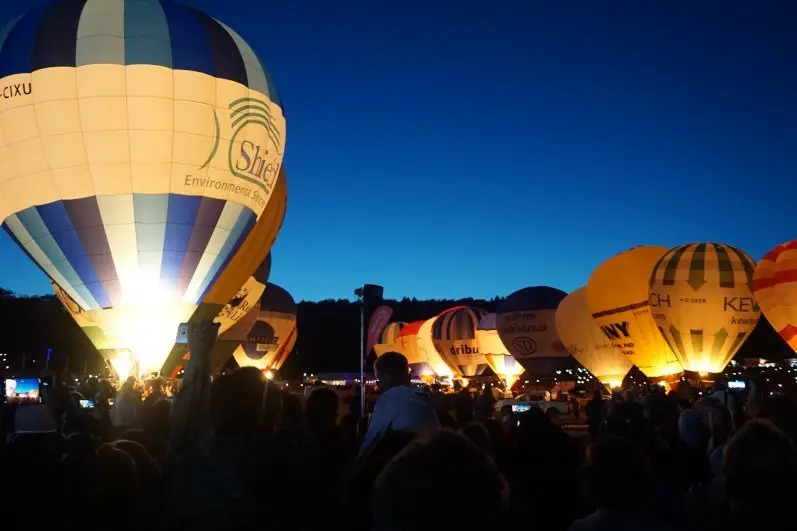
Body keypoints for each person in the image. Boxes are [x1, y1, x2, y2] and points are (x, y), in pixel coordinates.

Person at [358, 352, 439, 455]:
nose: (379, 387)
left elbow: (368, 445)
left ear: (384, 378)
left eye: (378, 381)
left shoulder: (390, 399)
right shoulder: (424, 402)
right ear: (408, 376)